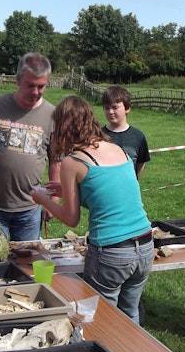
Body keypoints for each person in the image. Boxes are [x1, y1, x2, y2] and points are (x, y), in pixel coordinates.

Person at [32, 96, 154, 324]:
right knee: (130, 316)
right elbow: (109, 196)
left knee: (101, 319)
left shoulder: (72, 161)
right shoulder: (117, 149)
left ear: (63, 128)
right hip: (145, 245)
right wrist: (68, 192)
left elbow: (71, 219)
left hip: (112, 251)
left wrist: (43, 200)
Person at [0, 52, 60, 241]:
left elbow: (55, 159)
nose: (35, 92)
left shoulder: (52, 115)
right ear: (18, 80)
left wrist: (53, 200)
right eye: (30, 85)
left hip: (30, 208)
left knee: (28, 259)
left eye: (41, 86)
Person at [101, 85, 150, 178]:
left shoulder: (138, 136)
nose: (110, 112)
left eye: (115, 107)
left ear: (127, 108)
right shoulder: (98, 135)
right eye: (107, 108)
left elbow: (140, 163)